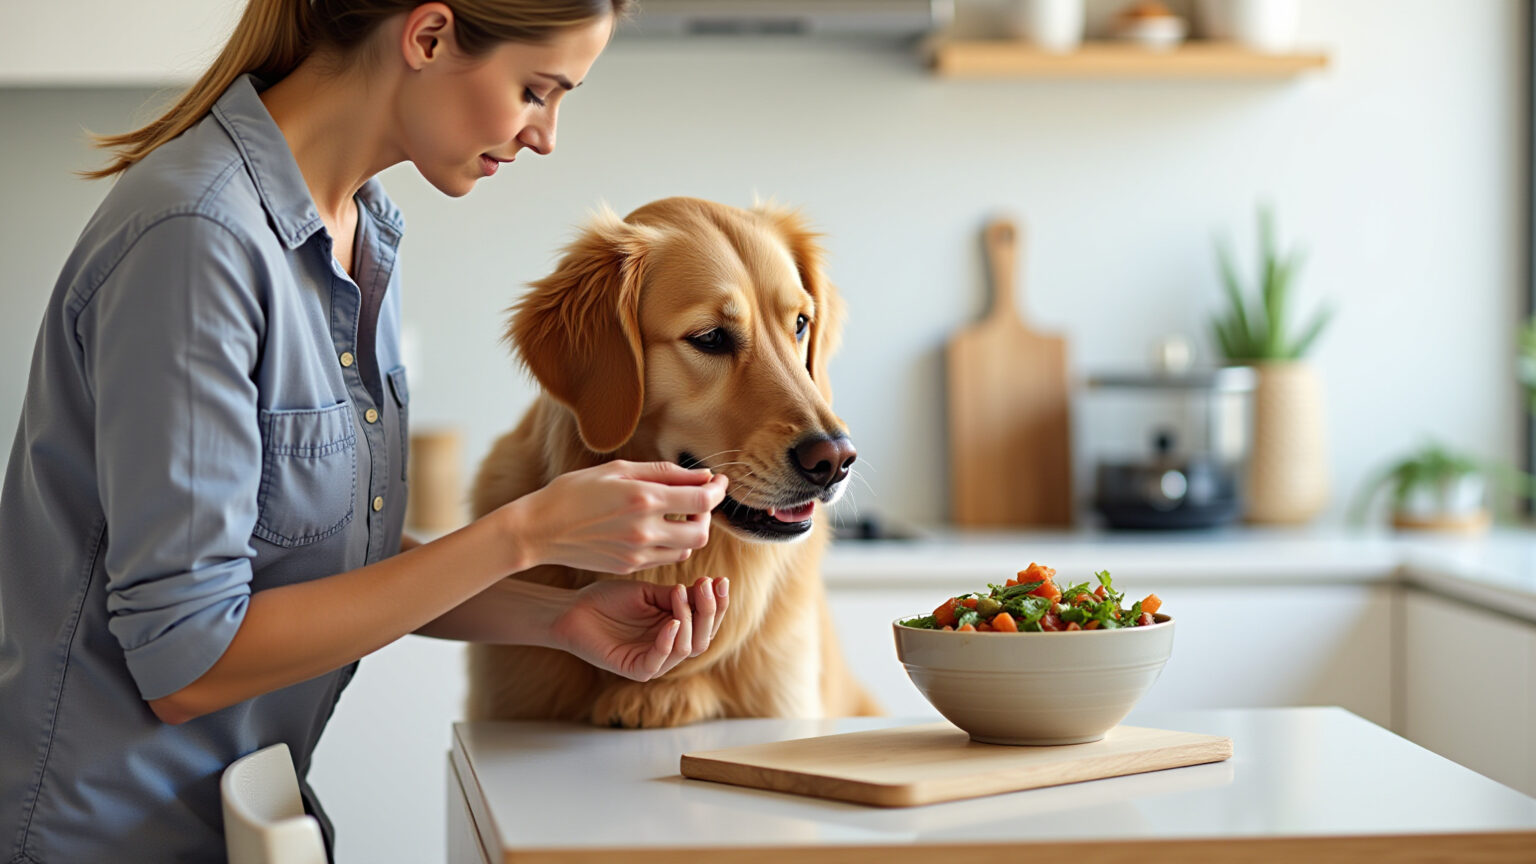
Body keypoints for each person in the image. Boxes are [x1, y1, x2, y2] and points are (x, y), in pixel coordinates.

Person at [0, 1, 733, 860]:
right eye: (537, 91)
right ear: (428, 36)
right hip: (103, 837)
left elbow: (330, 551)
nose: (546, 136)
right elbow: (187, 660)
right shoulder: (198, 238)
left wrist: (557, 616)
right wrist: (528, 531)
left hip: (220, 818)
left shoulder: (355, 231)